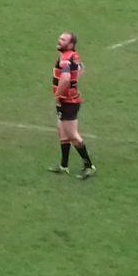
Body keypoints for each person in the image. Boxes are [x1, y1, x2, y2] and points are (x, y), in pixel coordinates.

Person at [48, 32, 96, 179]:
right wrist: (74, 84)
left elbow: (66, 78)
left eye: (63, 39)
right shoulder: (73, 55)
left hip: (67, 102)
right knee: (62, 132)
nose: (59, 40)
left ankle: (89, 166)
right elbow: (81, 67)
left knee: (72, 135)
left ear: (70, 44)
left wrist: (58, 96)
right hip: (68, 100)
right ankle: (64, 165)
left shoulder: (65, 59)